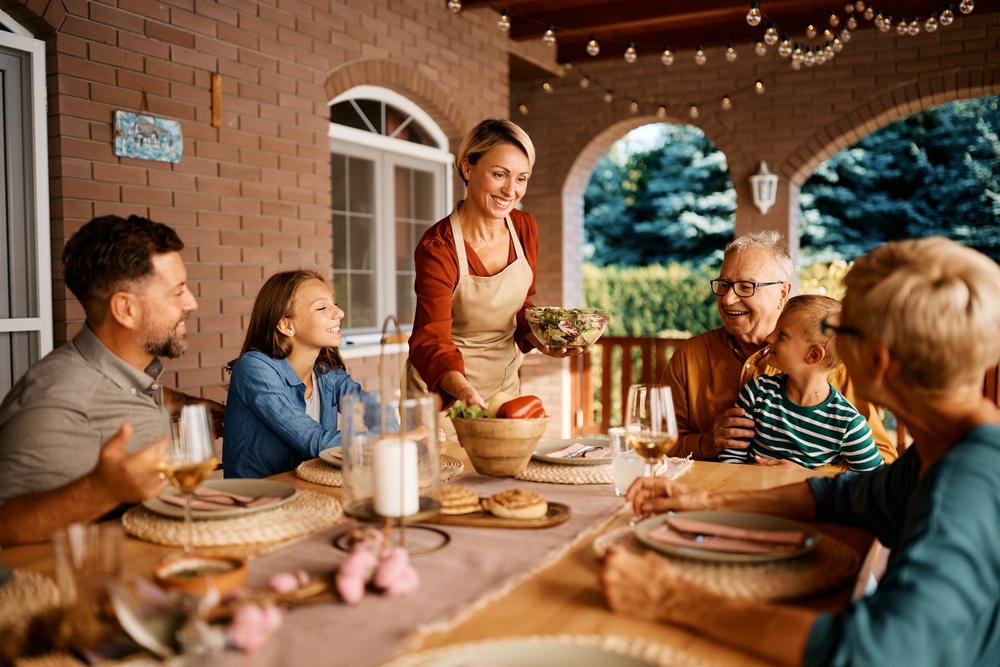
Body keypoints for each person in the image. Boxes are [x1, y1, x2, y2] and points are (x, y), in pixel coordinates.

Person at [603, 237, 1000, 666]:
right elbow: (843, 495)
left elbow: (876, 652)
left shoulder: (961, 490)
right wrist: (704, 500)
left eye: (842, 333)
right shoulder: (948, 449)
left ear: (879, 361)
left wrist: (671, 596)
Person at [0, 214, 222, 546]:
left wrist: (189, 405)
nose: (191, 303)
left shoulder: (125, 372)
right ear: (125, 309)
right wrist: (101, 490)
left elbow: (128, 395)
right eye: (177, 292)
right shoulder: (57, 402)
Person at [662, 230, 897, 464]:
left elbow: (883, 462)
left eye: (746, 287)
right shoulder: (688, 356)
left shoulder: (832, 364)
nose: (727, 299)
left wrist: (808, 478)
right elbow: (659, 444)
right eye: (724, 284)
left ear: (782, 293)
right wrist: (706, 444)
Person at [407, 118, 582, 411]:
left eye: (521, 178)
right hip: (444, 394)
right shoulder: (439, 247)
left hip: (504, 391)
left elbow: (521, 307)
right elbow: (431, 339)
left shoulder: (525, 228)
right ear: (467, 168)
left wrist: (546, 340)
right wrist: (464, 392)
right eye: (500, 174)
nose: (511, 191)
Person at [224, 270, 371, 478]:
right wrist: (389, 439)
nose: (339, 313)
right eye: (322, 307)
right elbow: (315, 441)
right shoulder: (255, 369)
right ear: (286, 325)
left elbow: (371, 410)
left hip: (309, 491)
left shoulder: (326, 372)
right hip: (259, 501)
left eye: (333, 304)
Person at [719, 295, 883, 472]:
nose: (769, 337)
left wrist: (806, 478)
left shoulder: (849, 424)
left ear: (813, 355)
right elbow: (730, 459)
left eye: (782, 334)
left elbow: (874, 483)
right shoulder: (756, 392)